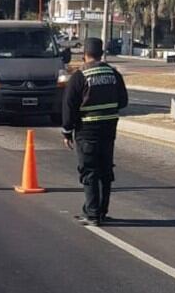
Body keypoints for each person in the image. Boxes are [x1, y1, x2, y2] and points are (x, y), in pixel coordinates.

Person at [62, 37, 128, 226]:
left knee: (90, 171)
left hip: (87, 131)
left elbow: (69, 105)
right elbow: (123, 102)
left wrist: (67, 131)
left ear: (84, 55)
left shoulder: (80, 76)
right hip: (109, 130)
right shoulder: (113, 73)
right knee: (105, 171)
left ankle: (92, 214)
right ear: (101, 54)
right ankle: (101, 211)